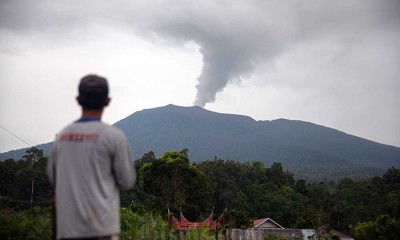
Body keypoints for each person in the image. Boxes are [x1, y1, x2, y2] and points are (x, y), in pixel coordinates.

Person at [47, 74, 136, 240]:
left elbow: (53, 178)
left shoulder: (62, 137)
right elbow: (127, 181)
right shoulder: (113, 136)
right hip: (102, 230)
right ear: (107, 101)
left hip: (67, 231)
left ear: (78, 100)